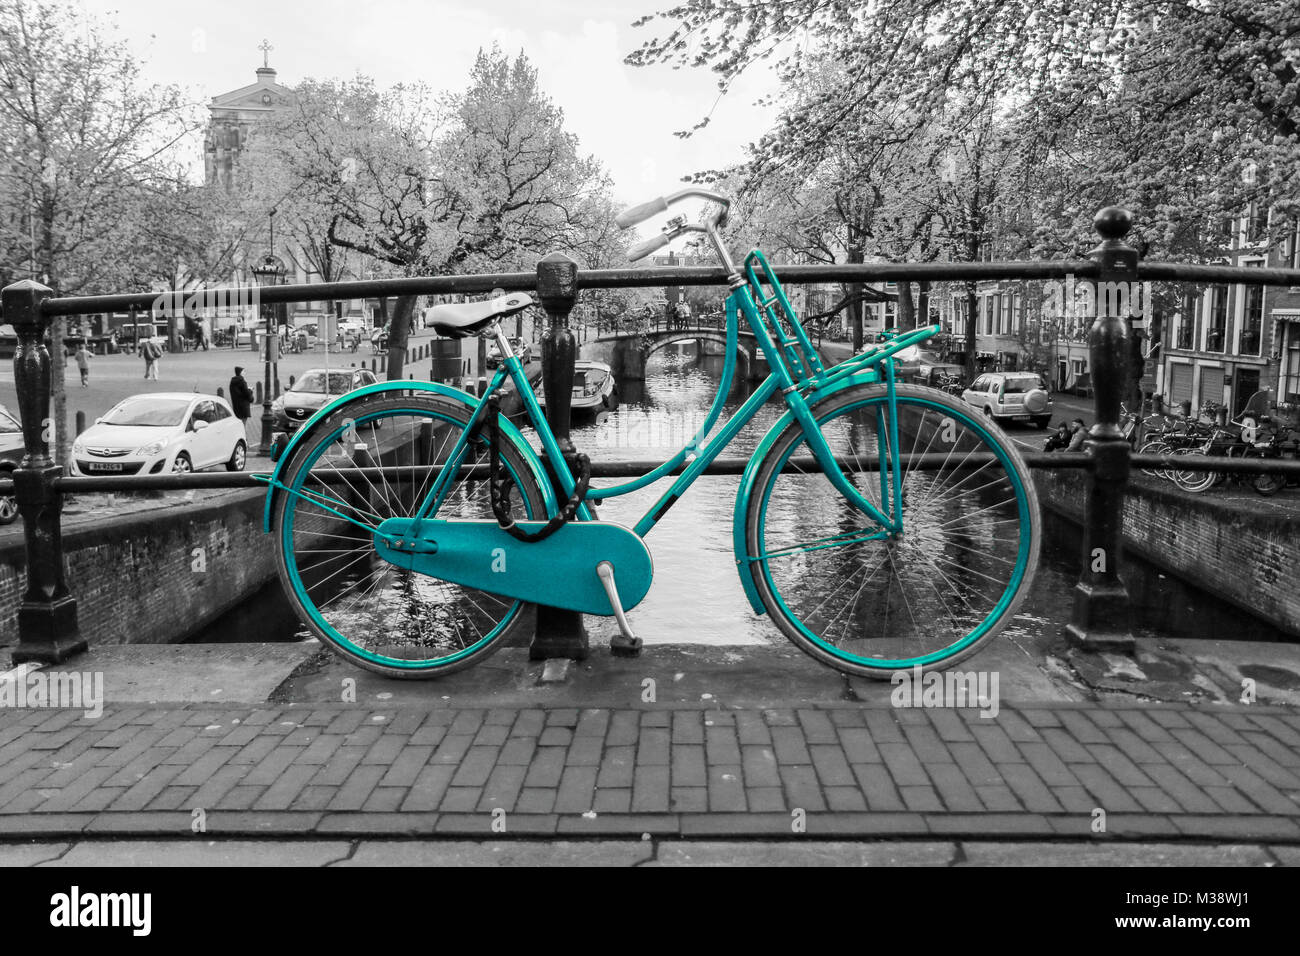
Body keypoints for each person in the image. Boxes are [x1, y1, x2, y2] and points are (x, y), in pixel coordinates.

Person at [229, 366, 255, 438]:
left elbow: (240, 393)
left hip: (236, 406)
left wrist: (247, 389)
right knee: (243, 425)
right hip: (243, 407)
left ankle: (239, 439)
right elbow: (246, 394)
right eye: (243, 371)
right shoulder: (242, 381)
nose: (245, 373)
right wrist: (251, 391)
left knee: (239, 425)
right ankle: (243, 441)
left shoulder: (232, 382)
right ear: (240, 372)